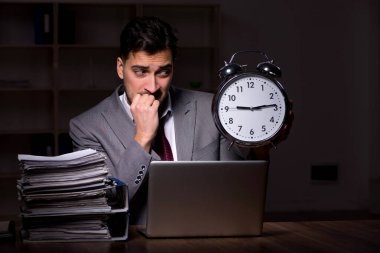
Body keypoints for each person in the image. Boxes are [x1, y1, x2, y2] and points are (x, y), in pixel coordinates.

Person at [69, 16, 293, 224]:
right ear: (120, 68)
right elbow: (107, 205)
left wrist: (261, 151)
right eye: (141, 72)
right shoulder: (87, 127)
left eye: (163, 72)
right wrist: (143, 138)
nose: (153, 86)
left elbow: (239, 193)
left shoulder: (212, 108)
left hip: (209, 237)